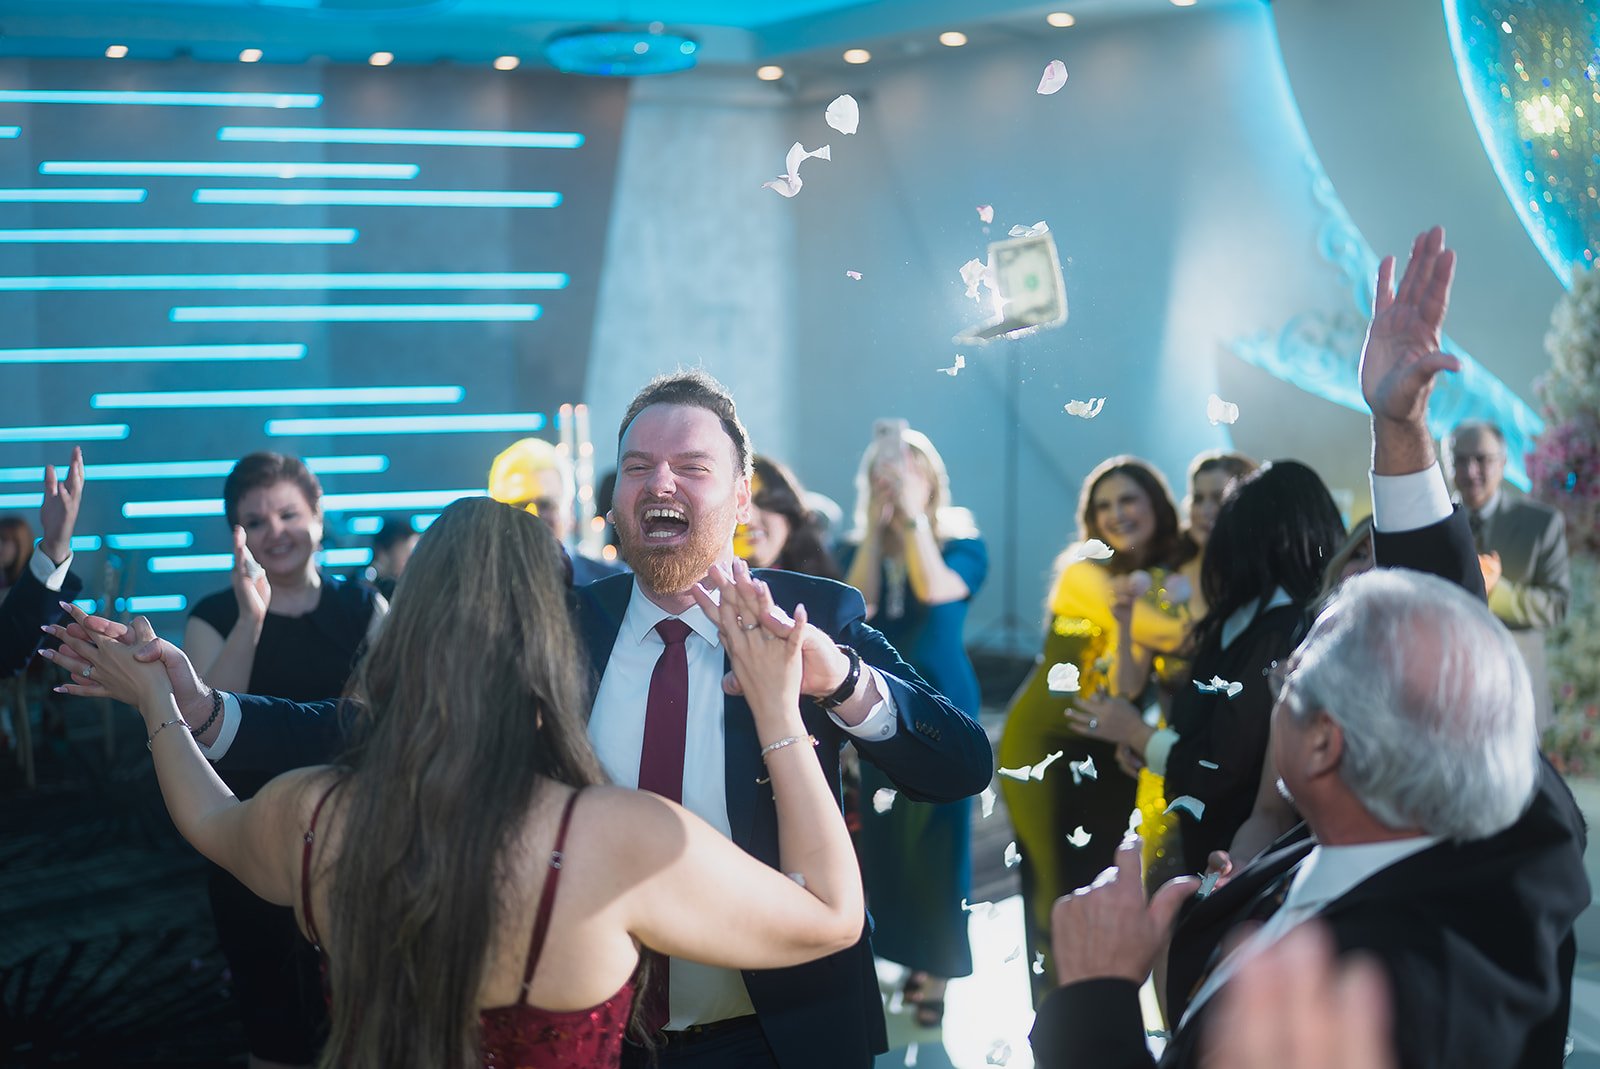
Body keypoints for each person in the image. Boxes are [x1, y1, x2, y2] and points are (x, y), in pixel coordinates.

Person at [118, 370, 992, 1069]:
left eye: (690, 467)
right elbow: (384, 725)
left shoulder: (813, 616)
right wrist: (204, 707)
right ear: (613, 502)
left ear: (739, 490)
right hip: (592, 1035)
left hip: (778, 1030)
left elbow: (959, 761)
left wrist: (837, 680)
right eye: (640, 467)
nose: (661, 483)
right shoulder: (560, 618)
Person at [1030, 226, 1588, 1069]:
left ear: (1325, 741)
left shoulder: (1373, 1002)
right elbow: (1440, 624)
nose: (1282, 666)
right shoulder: (1518, 832)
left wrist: (1096, 1001)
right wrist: (1397, 429)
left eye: (1298, 669)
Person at [46, 498, 867, 1069]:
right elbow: (831, 917)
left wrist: (157, 699)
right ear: (550, 636)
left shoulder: (315, 813)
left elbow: (210, 821)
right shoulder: (620, 836)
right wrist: (776, 711)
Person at [184, 452, 387, 1069]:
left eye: (289, 513)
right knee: (277, 1028)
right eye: (256, 520)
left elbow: (388, 722)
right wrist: (253, 617)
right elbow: (198, 731)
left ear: (319, 518)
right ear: (237, 535)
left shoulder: (366, 608)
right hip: (253, 841)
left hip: (359, 841)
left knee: (369, 1022)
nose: (276, 531)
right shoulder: (213, 615)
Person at [1070, 461, 1347, 874]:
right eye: (1200, 499)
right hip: (1190, 816)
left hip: (1232, 852)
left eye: (1226, 508)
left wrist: (1138, 734)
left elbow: (1225, 770)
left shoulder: (1283, 631)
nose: (1212, 520)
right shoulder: (1239, 614)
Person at [999, 456, 1191, 1002]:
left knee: (1101, 885)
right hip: (1045, 748)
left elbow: (1132, 683)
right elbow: (1174, 637)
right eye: (1103, 506)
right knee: (1056, 891)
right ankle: (1062, 1031)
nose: (1116, 514)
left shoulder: (1153, 578)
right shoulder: (1085, 572)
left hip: (1107, 751)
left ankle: (1099, 1021)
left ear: (1155, 503)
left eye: (1128, 500)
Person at [838, 421, 987, 1027]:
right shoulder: (857, 545)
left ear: (931, 478)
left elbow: (935, 588)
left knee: (940, 840)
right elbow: (859, 603)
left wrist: (915, 518)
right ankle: (906, 955)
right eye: (882, 470)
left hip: (943, 698)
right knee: (890, 839)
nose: (893, 479)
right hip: (881, 703)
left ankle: (942, 969)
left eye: (905, 468)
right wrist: (879, 529)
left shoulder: (962, 541)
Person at [1448, 418, 1570, 729]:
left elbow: (1556, 605)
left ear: (1502, 463)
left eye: (1481, 459)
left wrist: (1497, 592)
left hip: (1516, 690)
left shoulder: (1540, 524)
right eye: (1459, 460)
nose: (1470, 471)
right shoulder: (1434, 522)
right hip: (1448, 691)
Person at [489, 436, 625, 586]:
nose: (532, 516)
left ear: (570, 509)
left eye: (545, 504)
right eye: (519, 505)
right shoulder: (474, 588)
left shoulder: (613, 585)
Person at [1176, 451, 1257, 621]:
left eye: (1219, 497)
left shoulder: (1260, 575)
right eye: (1198, 498)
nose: (1204, 511)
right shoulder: (1172, 568)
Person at [736, 455, 840, 580]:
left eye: (765, 502)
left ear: (792, 519)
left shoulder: (830, 595)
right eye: (736, 504)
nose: (749, 517)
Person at [363, 517, 416, 599]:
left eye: (414, 554)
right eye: (404, 552)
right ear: (382, 554)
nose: (411, 560)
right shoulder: (363, 593)